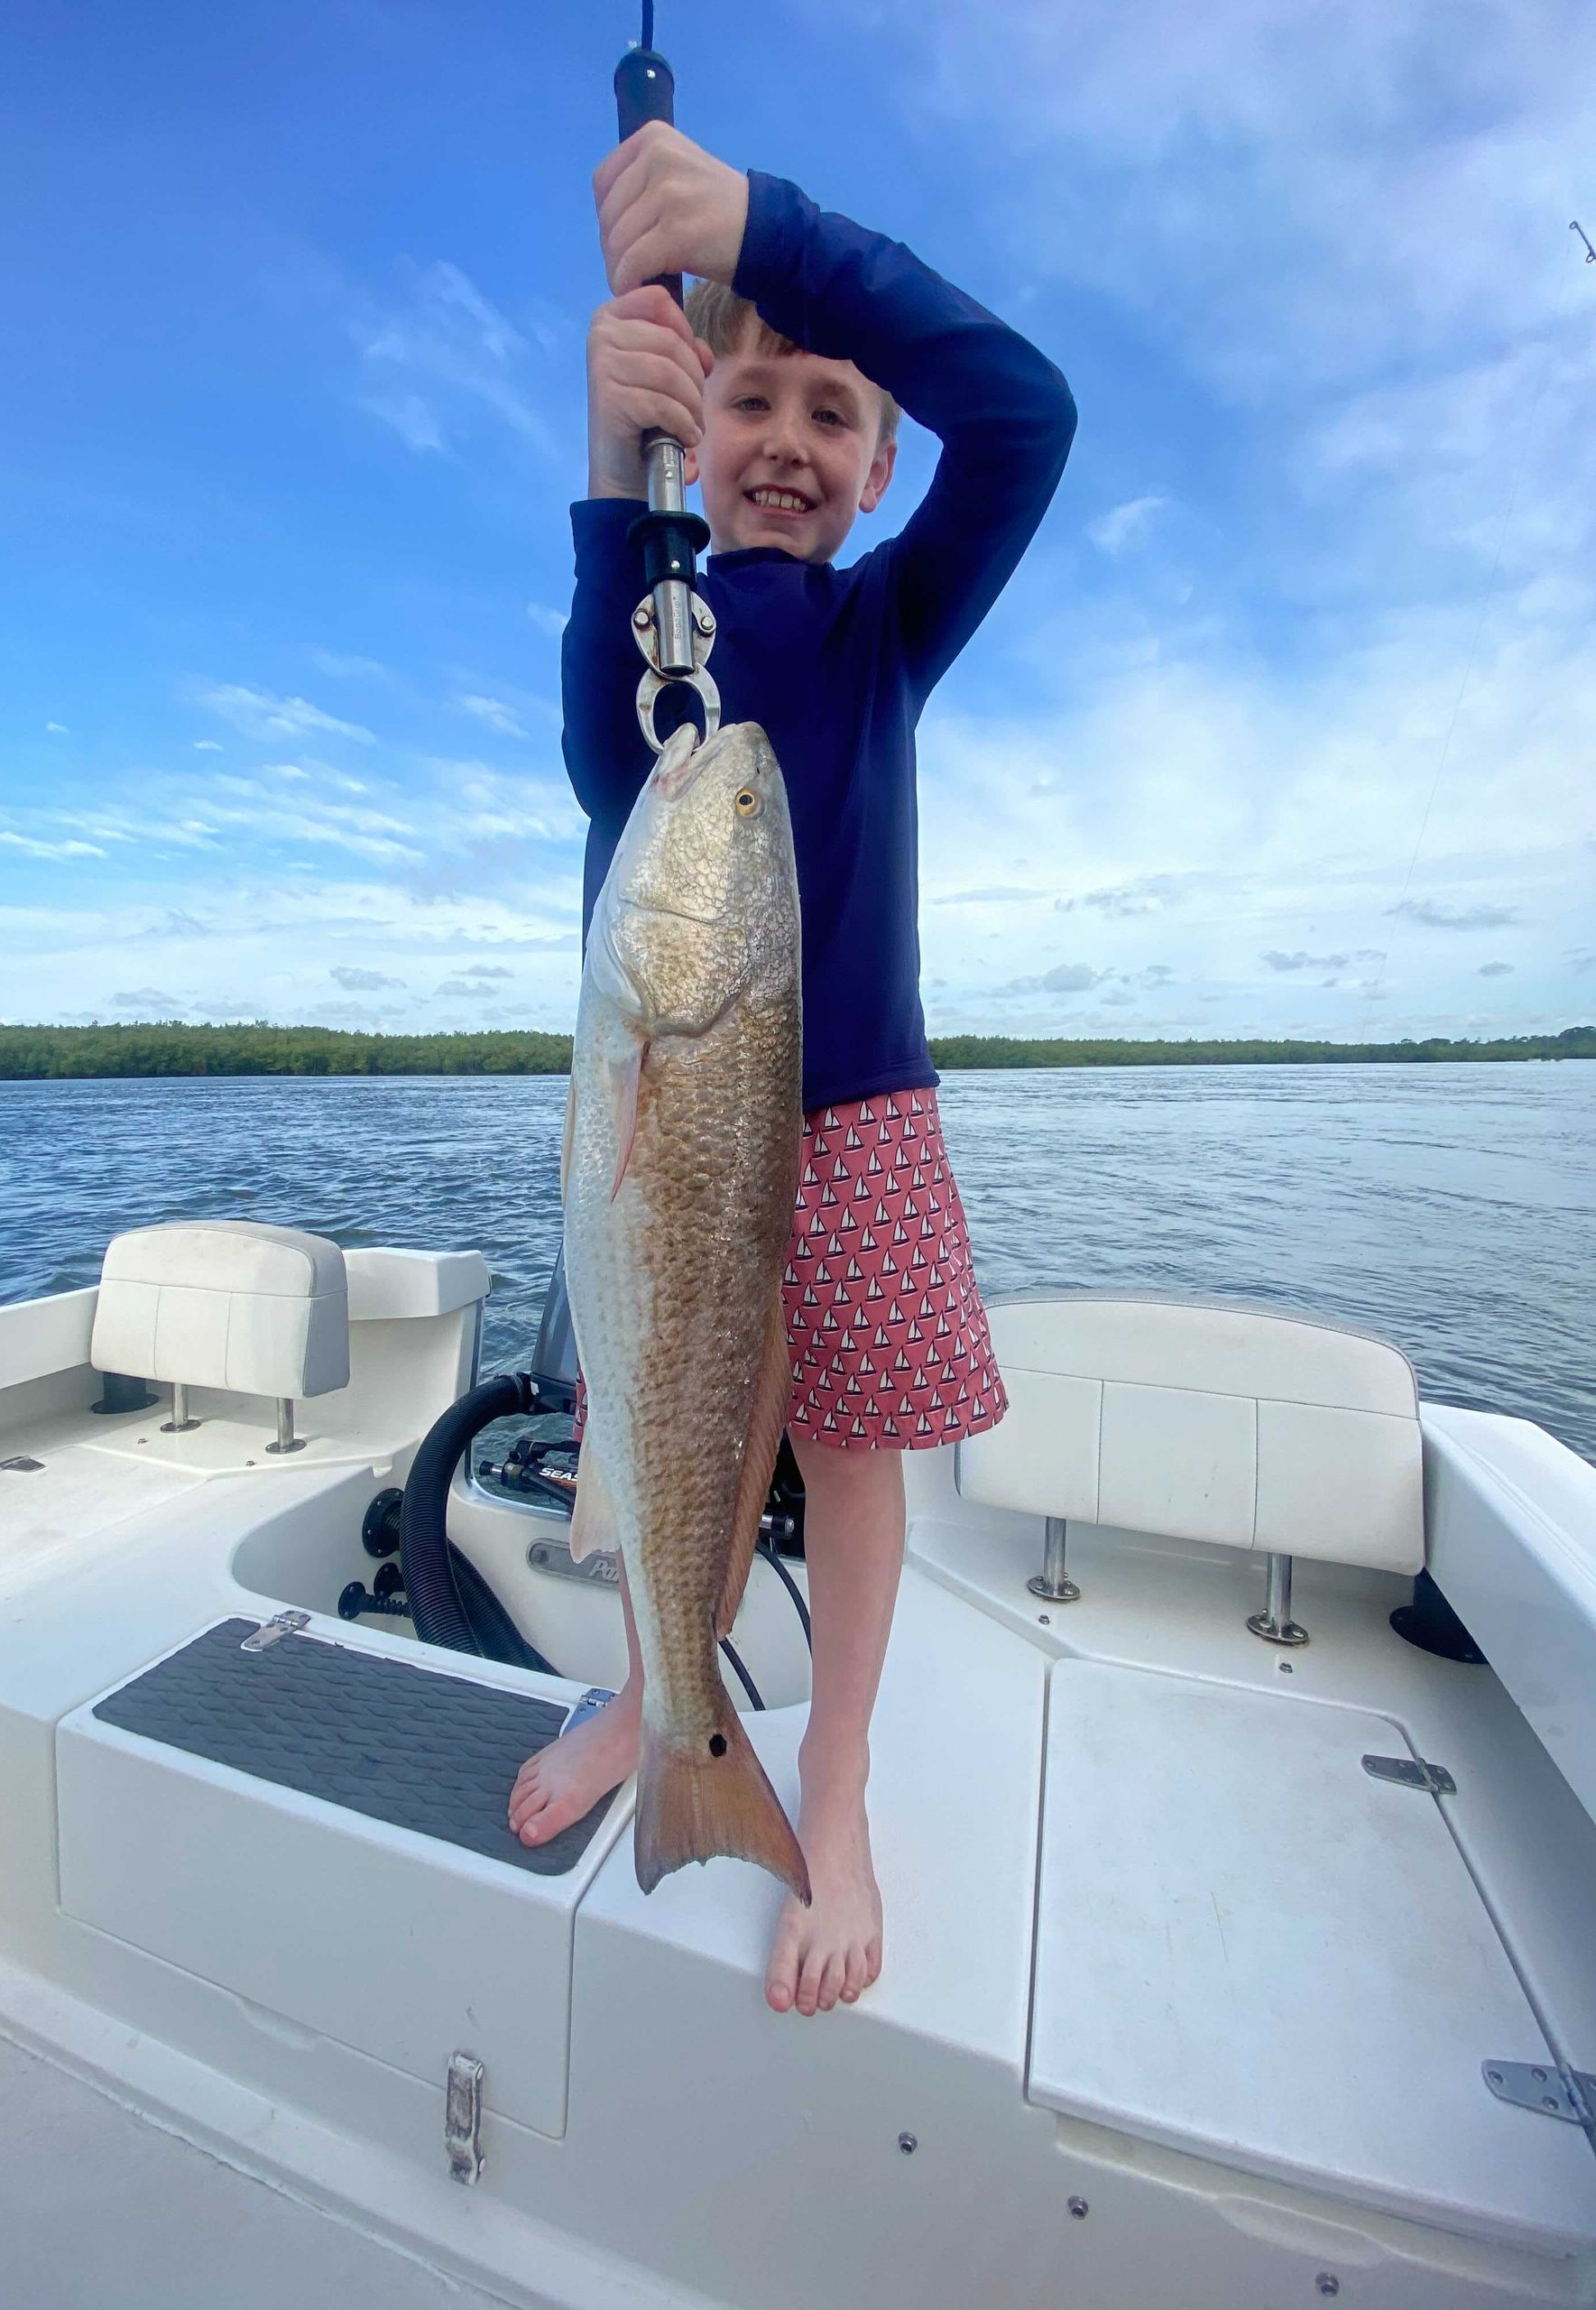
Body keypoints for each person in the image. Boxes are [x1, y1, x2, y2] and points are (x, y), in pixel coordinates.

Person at [508, 124, 1075, 2019]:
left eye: (834, 412)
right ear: (698, 415)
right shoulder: (664, 593)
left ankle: (824, 1772)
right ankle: (660, 1698)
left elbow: (1034, 412)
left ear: (882, 459)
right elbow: (608, 755)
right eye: (752, 395)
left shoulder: (886, 622)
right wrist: (612, 474)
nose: (788, 441)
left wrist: (769, 237)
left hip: (862, 1122)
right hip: (671, 1118)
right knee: (659, 1424)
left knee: (850, 1454)